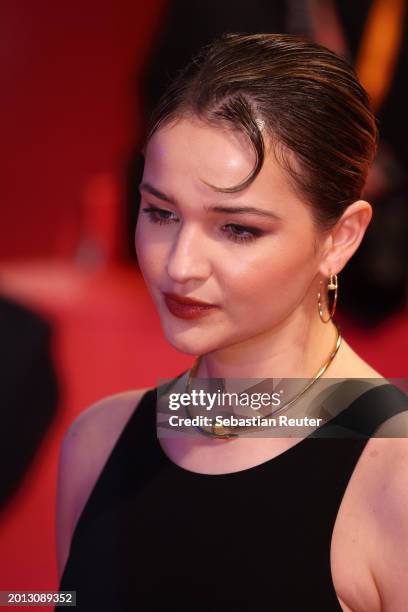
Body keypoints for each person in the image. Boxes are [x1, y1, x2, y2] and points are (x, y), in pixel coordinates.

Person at [56, 34, 408, 611]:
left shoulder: (395, 474)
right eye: (160, 213)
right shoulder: (98, 443)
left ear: (340, 238)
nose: (180, 265)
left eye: (237, 228)